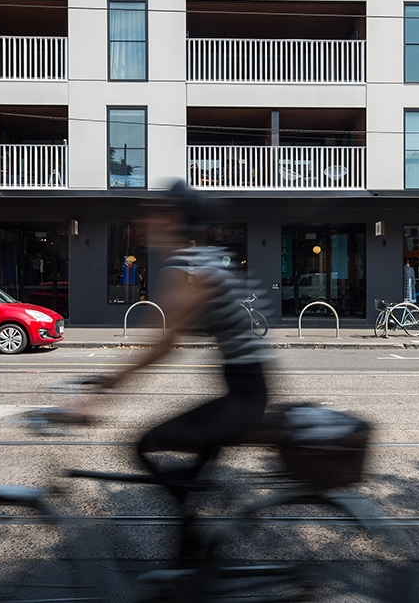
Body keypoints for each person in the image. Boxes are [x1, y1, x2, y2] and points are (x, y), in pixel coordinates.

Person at [73, 184, 270, 566]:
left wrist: (102, 390)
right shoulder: (201, 261)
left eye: (155, 212)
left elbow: (163, 345)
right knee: (187, 482)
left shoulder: (187, 268)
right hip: (246, 390)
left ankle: (198, 549)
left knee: (144, 444)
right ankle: (192, 559)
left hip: (244, 398)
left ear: (176, 220)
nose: (145, 220)